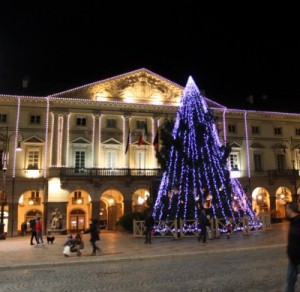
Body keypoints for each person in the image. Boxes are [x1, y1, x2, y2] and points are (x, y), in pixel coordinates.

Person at [285, 202, 300, 292]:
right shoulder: (292, 222)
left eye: (287, 209)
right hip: (293, 259)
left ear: (291, 210)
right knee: (289, 283)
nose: (286, 211)